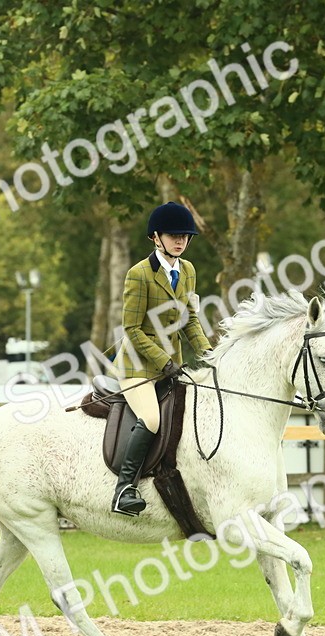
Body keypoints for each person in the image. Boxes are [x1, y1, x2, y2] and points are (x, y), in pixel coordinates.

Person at [111, 201, 213, 516]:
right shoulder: (138, 274)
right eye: (173, 235)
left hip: (173, 365)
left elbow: (190, 321)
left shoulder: (188, 271)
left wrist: (210, 354)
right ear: (156, 237)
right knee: (152, 419)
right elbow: (132, 329)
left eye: (185, 235)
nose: (180, 240)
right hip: (138, 366)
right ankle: (123, 489)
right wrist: (163, 362)